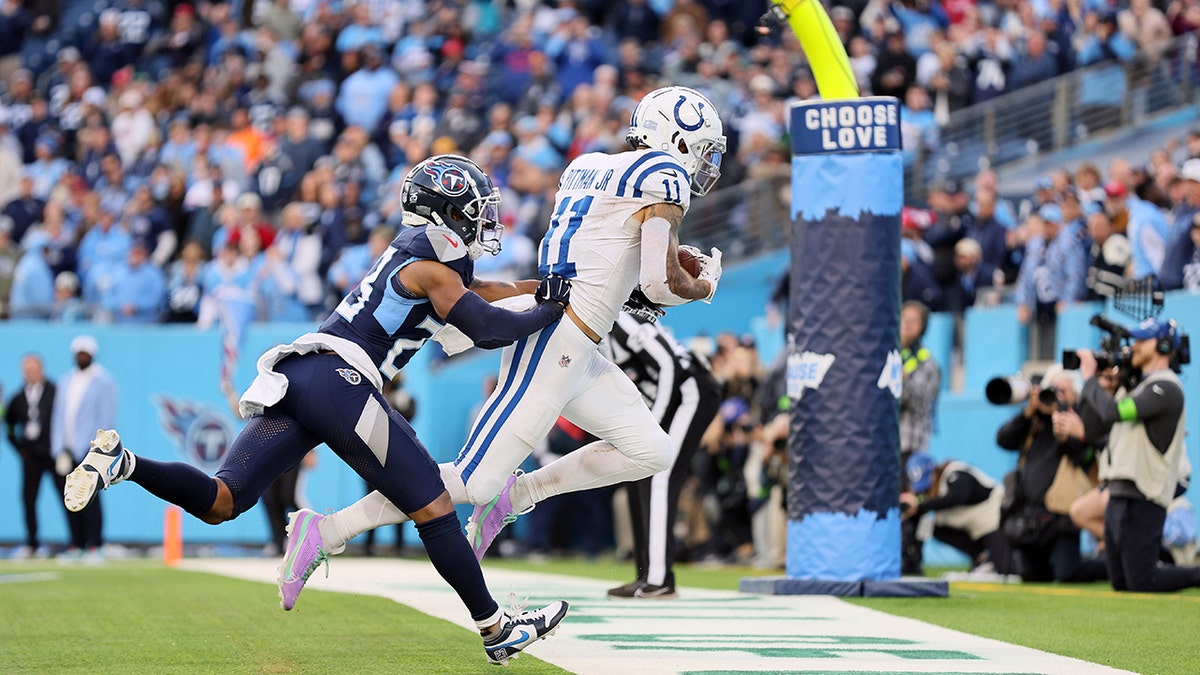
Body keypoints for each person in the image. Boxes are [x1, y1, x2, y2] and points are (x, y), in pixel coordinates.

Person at [61, 155, 570, 665]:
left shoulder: (421, 258)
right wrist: (551, 310)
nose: (480, 221)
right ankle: (496, 628)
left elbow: (479, 293)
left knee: (222, 500)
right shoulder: (432, 267)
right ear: (443, 212)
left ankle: (123, 463)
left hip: (303, 375)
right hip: (341, 382)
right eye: (470, 210)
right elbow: (487, 327)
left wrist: (530, 289)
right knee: (435, 509)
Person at [281, 85, 726, 598]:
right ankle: (327, 531)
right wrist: (702, 285)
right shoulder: (663, 174)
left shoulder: (591, 165)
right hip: (556, 338)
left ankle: (518, 495)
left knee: (650, 449)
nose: (706, 161)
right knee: (471, 481)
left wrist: (668, 268)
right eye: (705, 146)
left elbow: (621, 277)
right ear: (678, 136)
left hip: (577, 340)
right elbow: (655, 283)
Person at [604, 311, 722, 599]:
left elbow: (670, 364)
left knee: (660, 474)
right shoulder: (592, 338)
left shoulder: (622, 320)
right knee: (637, 473)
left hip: (690, 390)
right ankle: (645, 574)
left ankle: (660, 581)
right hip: (664, 400)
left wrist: (653, 423)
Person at [1077, 318, 1200, 591]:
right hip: (1118, 493)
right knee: (1120, 582)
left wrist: (1089, 382)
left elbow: (1113, 413)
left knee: (1143, 581)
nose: (1135, 347)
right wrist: (1103, 388)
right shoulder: (1138, 388)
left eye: (1143, 341)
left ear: (1165, 345)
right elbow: (1094, 426)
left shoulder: (1166, 388)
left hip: (1144, 495)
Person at [996, 365, 1103, 583]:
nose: (1056, 396)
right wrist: (1029, 411)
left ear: (1075, 396)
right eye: (1052, 389)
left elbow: (1082, 457)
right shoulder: (1034, 422)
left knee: (1068, 574)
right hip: (1029, 517)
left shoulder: (1079, 423)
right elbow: (1003, 440)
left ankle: (1109, 566)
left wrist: (1066, 432)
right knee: (1030, 575)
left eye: (1063, 391)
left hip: (1060, 518)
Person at [52, 335, 118, 561]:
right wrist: (59, 448)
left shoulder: (103, 381)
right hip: (67, 449)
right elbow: (59, 417)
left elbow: (105, 418)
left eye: (85, 353)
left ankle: (94, 544)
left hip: (90, 450)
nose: (82, 357)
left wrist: (100, 450)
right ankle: (76, 543)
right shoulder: (66, 381)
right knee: (70, 497)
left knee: (91, 497)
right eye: (79, 353)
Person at [901, 454, 1015, 576]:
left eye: (927, 486)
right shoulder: (935, 496)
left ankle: (991, 558)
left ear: (935, 471)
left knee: (1008, 571)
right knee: (933, 526)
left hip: (997, 523)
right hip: (976, 532)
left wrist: (919, 505)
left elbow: (959, 496)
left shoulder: (954, 472)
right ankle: (980, 558)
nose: (926, 491)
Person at [4, 353, 60, 558]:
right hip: (31, 456)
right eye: (27, 369)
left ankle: (78, 541)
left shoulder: (55, 392)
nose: (31, 373)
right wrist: (19, 448)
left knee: (68, 495)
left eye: (34, 368)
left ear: (42, 370)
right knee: (28, 499)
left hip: (53, 453)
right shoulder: (17, 398)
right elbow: (9, 426)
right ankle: (32, 542)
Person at [899, 300, 940, 575]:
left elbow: (921, 402)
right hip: (886, 445)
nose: (906, 325)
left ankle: (912, 562)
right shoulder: (890, 355)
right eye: (903, 319)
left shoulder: (927, 363)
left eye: (913, 321)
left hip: (912, 444)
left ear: (923, 327)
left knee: (911, 505)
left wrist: (900, 378)